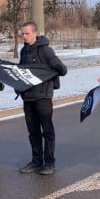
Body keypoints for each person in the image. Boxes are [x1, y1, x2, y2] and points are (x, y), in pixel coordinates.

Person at [17, 22, 68, 175]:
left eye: (27, 33)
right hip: (28, 96)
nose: (24, 36)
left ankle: (49, 162)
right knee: (33, 131)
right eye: (23, 34)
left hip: (43, 96)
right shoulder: (24, 51)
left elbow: (62, 69)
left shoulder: (46, 50)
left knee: (47, 131)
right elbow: (21, 72)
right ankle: (36, 161)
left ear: (35, 33)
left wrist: (51, 68)